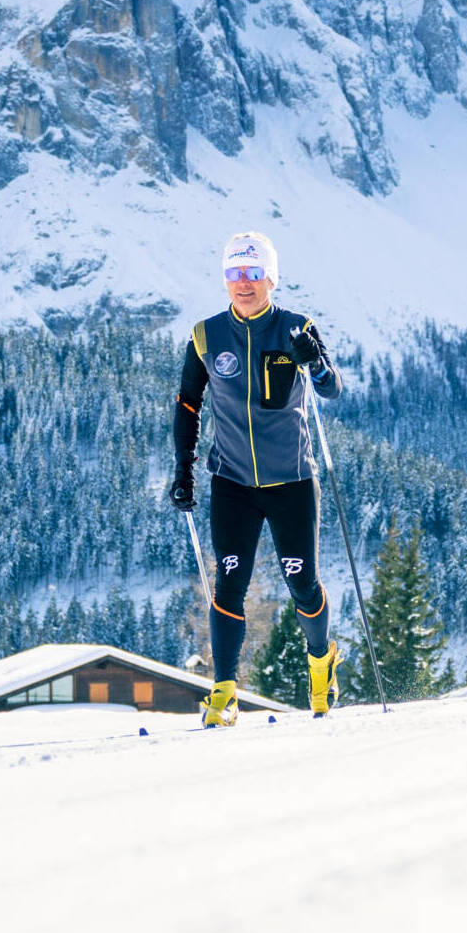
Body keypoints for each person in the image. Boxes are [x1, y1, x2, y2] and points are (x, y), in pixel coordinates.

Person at [171, 231, 343, 724]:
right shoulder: (206, 336)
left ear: (270, 277)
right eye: (234, 274)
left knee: (302, 583)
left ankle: (320, 663)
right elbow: (188, 402)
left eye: (252, 273)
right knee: (229, 585)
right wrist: (183, 468)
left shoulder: (295, 327)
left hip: (290, 480)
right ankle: (224, 692)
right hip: (231, 482)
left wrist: (314, 362)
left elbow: (331, 389)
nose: (243, 284)